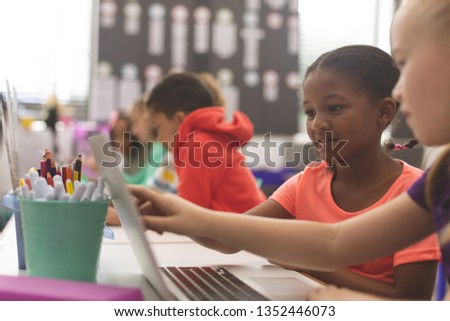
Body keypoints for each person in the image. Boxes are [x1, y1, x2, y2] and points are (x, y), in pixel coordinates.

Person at [128, 0, 450, 300]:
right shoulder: (307, 183)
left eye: (335, 108)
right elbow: (238, 238)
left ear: (383, 112)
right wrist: (174, 214)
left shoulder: (414, 186)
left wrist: (302, 259)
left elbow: (412, 300)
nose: (317, 124)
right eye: (310, 112)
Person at [147, 72, 266, 212]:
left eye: (158, 127)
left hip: (244, 231)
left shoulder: (198, 145)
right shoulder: (206, 139)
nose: (159, 138)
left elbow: (189, 211)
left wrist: (143, 214)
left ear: (180, 119)